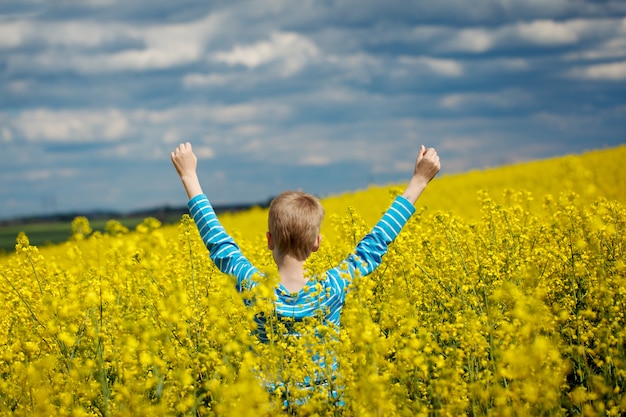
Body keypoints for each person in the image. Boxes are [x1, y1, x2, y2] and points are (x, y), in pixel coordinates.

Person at [170, 141, 440, 405]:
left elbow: (218, 243)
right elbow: (375, 244)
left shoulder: (253, 286)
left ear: (269, 240)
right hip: (325, 405)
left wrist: (188, 175)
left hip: (267, 406)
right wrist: (419, 180)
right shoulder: (332, 287)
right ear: (316, 244)